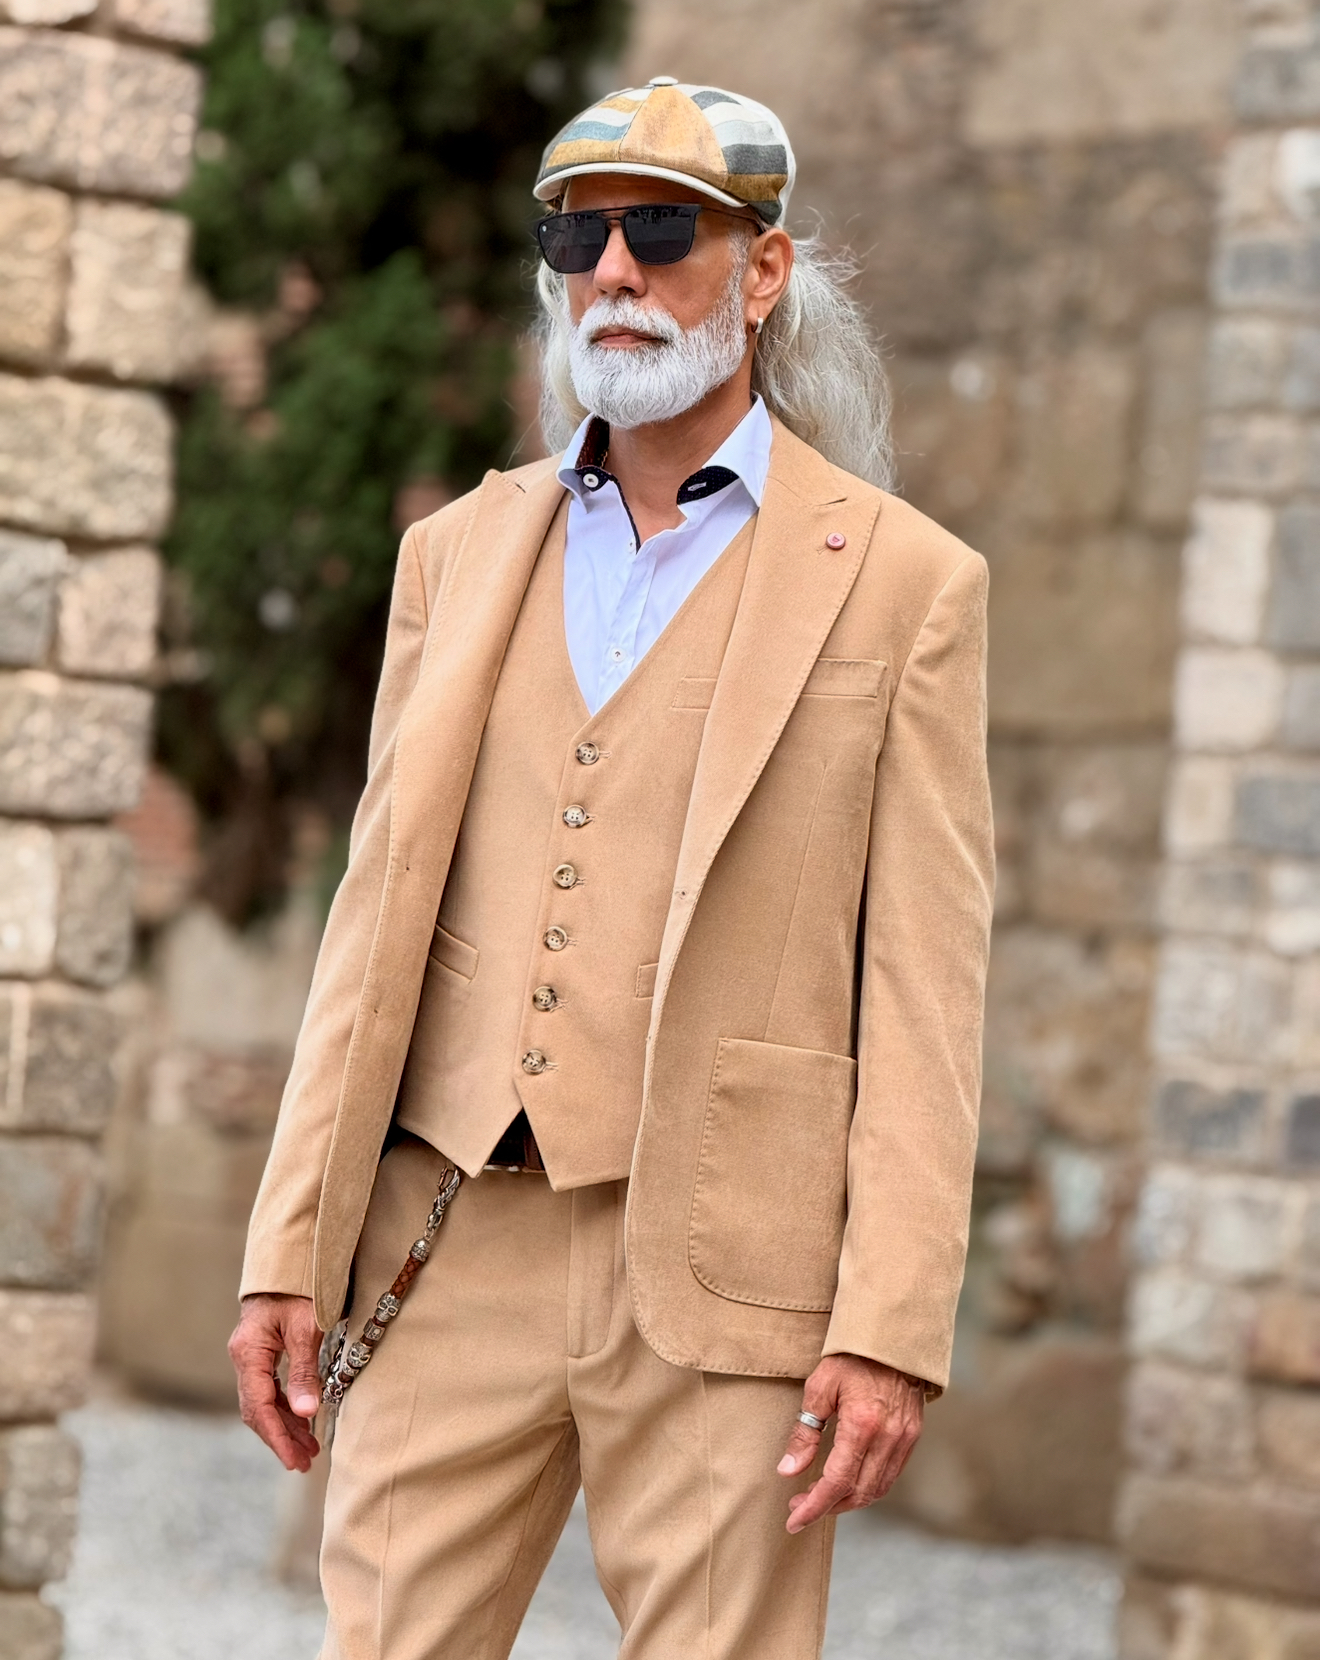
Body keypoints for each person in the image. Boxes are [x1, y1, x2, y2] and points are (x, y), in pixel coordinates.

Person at [229, 75, 994, 1660]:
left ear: (762, 272)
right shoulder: (455, 553)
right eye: (578, 239)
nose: (615, 274)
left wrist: (892, 1320)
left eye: (661, 230)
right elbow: (372, 931)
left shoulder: (905, 583)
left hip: (729, 1264)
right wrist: (285, 1252)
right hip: (449, 1233)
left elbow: (927, 986)